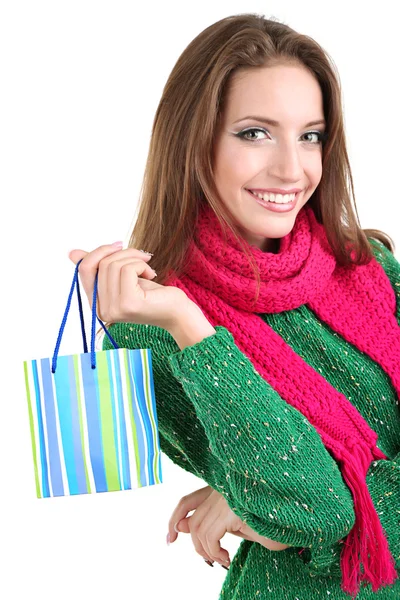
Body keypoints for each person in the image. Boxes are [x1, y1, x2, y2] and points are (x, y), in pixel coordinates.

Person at [68, 13, 400, 599]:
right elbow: (315, 512)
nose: (291, 169)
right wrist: (194, 332)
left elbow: (310, 512)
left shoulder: (368, 269)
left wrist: (255, 497)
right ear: (195, 141)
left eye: (311, 135)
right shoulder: (152, 326)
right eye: (254, 133)